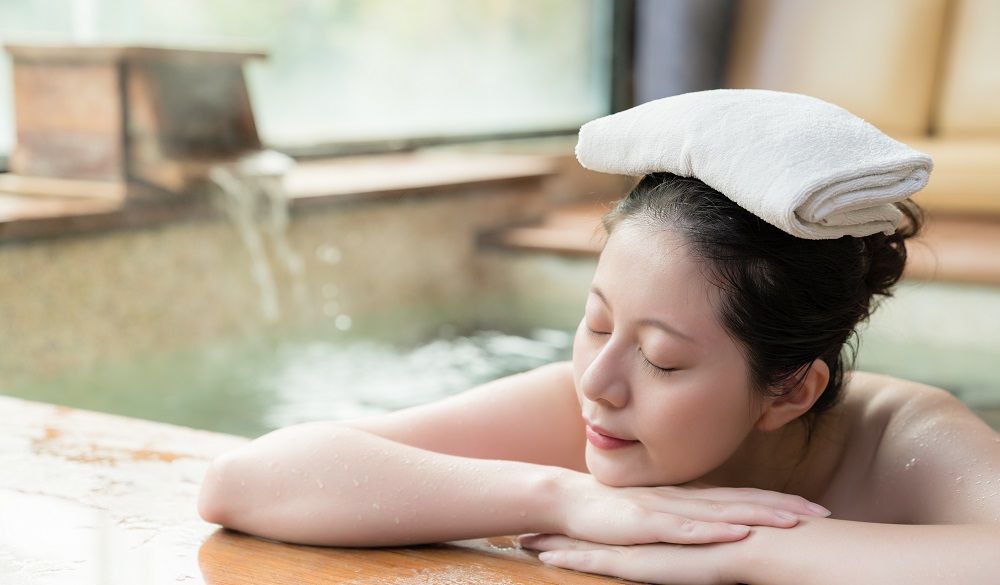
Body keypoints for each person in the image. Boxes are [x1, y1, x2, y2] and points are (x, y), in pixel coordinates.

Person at [198, 93, 1000, 585]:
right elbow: (244, 480)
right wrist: (560, 495)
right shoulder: (573, 409)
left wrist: (747, 550)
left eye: (661, 358)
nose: (600, 380)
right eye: (598, 320)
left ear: (791, 389)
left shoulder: (906, 441)